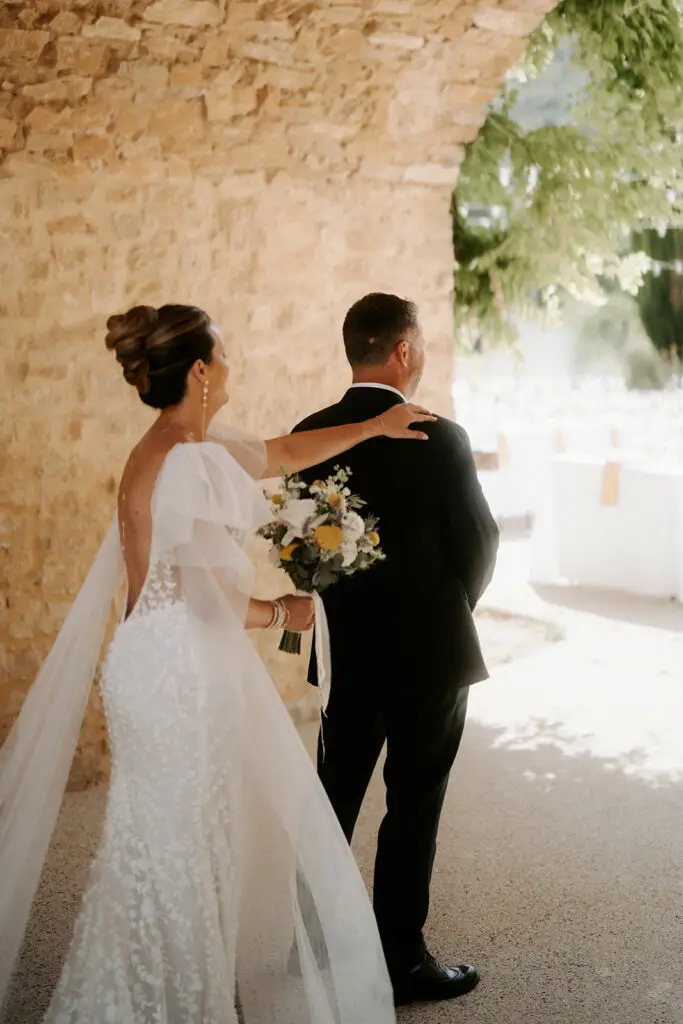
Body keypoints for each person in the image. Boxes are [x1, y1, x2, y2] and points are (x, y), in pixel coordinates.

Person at [0, 303, 436, 1024]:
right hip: (179, 669)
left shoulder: (166, 448)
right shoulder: (192, 460)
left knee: (154, 842)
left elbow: (278, 454)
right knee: (188, 847)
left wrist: (368, 425)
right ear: (200, 369)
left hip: (142, 658)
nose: (233, 366)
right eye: (225, 354)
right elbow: (206, 600)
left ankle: (156, 995)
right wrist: (283, 612)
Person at [292, 293, 499, 1006]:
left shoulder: (309, 433)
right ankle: (402, 960)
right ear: (403, 351)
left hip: (347, 654)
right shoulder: (440, 437)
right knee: (414, 805)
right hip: (431, 656)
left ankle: (306, 942)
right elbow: (479, 543)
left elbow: (301, 558)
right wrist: (449, 611)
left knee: (331, 796)